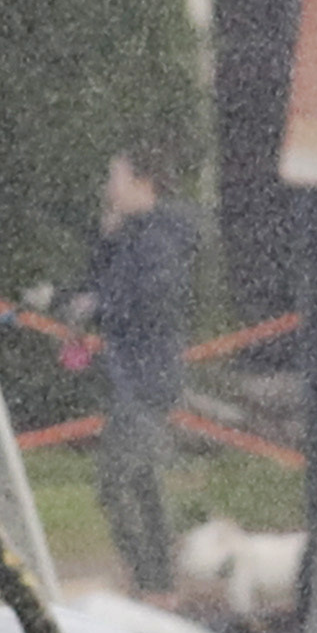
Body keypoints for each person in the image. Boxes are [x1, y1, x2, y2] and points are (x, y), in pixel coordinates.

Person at [81, 152, 201, 601]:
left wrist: (105, 307)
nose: (109, 189)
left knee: (119, 482)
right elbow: (107, 284)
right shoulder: (130, 237)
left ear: (142, 183)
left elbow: (152, 303)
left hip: (145, 379)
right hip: (130, 376)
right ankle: (157, 581)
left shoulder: (158, 241)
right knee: (142, 482)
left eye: (116, 179)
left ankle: (150, 578)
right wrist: (107, 243)